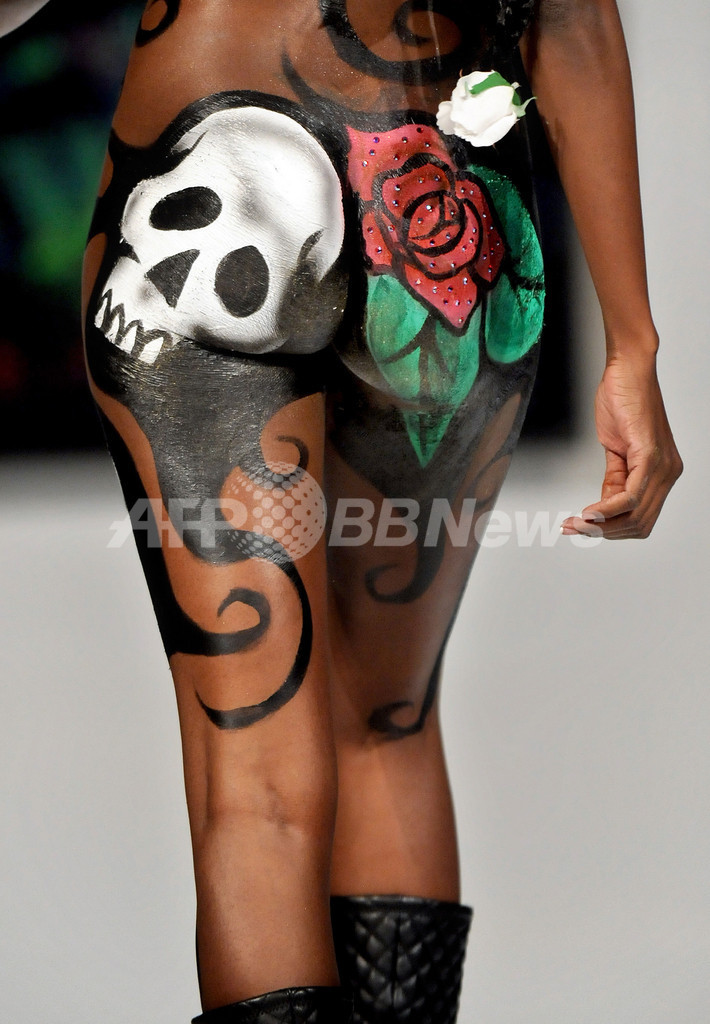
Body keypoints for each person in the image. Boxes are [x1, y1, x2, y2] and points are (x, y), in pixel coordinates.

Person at [2, 1, 683, 1021]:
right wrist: (632, 345)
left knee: (255, 783)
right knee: (387, 725)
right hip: (444, 208)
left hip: (212, 115)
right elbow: (573, 17)